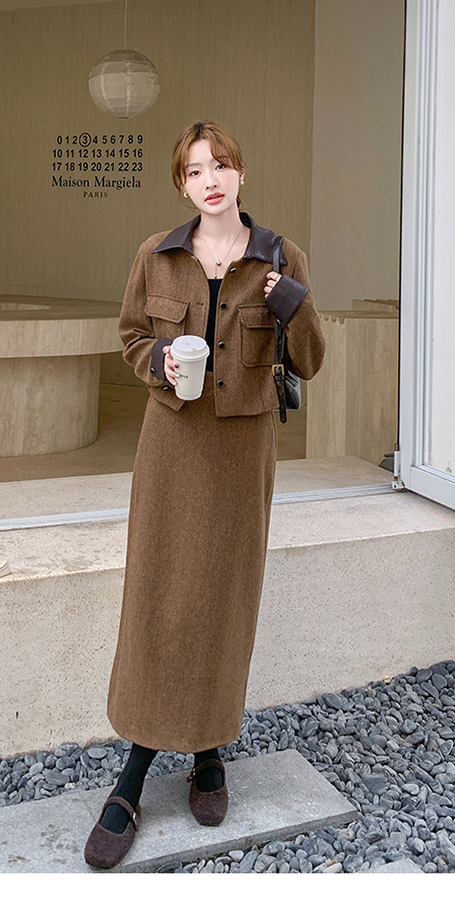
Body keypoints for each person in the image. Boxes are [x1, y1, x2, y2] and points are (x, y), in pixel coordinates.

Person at [84, 120, 326, 868]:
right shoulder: (155, 255)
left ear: (240, 172)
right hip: (171, 445)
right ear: (182, 185)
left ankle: (210, 749)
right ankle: (134, 771)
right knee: (159, 596)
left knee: (223, 597)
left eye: (219, 164)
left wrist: (294, 306)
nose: (210, 179)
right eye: (194, 170)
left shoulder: (281, 258)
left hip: (241, 454)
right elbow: (131, 335)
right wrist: (158, 357)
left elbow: (311, 361)